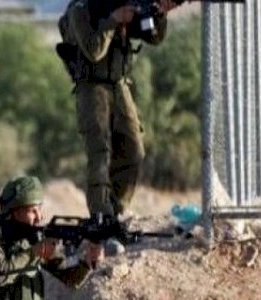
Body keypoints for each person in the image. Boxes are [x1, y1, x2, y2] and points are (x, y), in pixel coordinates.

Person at [63, 0, 181, 251]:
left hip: (119, 84)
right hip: (91, 87)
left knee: (133, 150)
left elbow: (154, 38)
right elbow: (93, 51)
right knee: (100, 154)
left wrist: (158, 14)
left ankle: (115, 211)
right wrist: (114, 20)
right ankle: (101, 218)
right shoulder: (80, 10)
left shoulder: (124, 4)